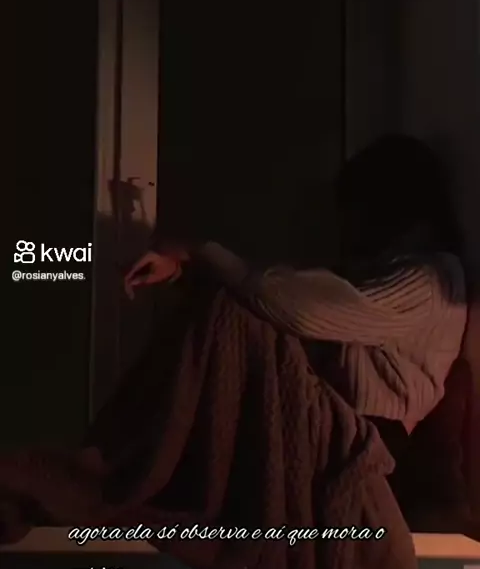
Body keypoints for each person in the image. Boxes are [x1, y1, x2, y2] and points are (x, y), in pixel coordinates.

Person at [124, 134, 467, 442]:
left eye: (358, 212)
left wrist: (201, 251)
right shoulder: (379, 270)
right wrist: (183, 268)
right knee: (230, 307)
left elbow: (300, 308)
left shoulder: (431, 279)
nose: (349, 228)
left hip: (375, 435)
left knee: (236, 313)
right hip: (338, 420)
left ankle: (130, 449)